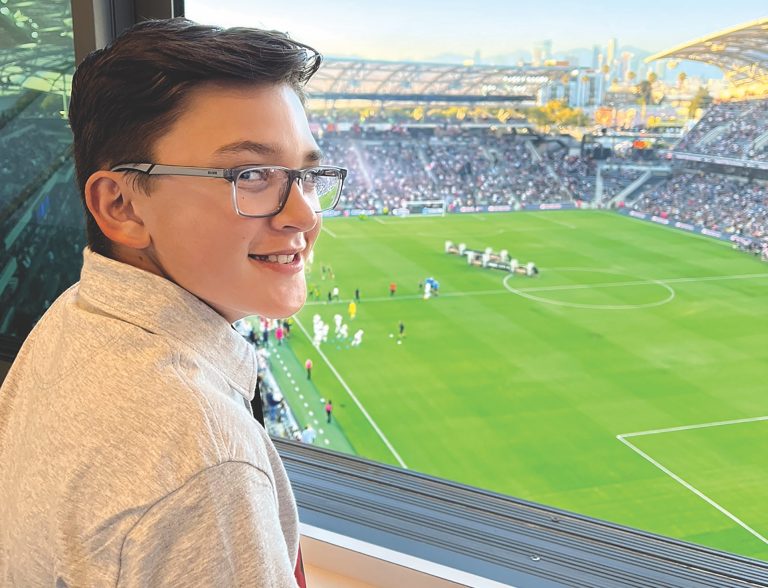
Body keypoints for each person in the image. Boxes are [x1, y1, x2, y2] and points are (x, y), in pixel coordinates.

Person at [0, 18, 346, 587]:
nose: (305, 214)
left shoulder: (73, 316)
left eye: (307, 175)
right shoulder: (201, 457)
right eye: (251, 174)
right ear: (122, 206)